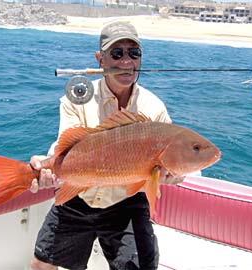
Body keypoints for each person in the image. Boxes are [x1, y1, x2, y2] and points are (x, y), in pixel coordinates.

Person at [29, 21, 183, 270]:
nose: (126, 62)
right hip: (77, 196)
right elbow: (67, 145)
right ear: (100, 59)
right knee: (42, 264)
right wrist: (46, 167)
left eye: (134, 53)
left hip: (125, 202)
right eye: (117, 53)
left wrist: (173, 176)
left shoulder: (154, 109)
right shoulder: (77, 100)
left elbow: (171, 166)